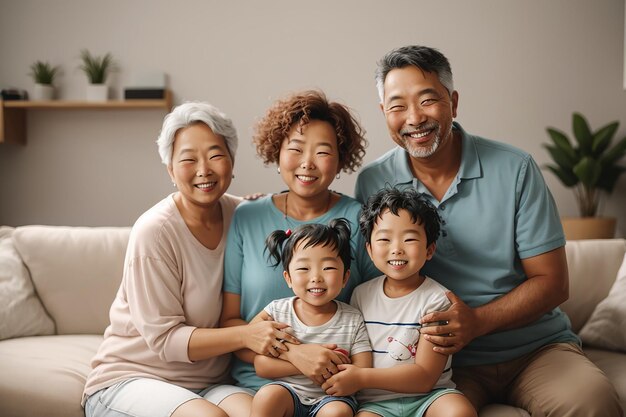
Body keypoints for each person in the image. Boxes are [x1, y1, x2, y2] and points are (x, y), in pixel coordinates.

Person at [354, 45, 623, 416]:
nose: (414, 118)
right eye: (397, 105)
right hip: (442, 363)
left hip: (534, 349)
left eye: (428, 100)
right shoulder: (374, 181)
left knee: (593, 403)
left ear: (454, 101)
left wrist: (477, 322)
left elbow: (553, 283)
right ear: (384, 112)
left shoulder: (515, 169)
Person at [82, 102, 298, 417]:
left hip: (210, 384)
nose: (203, 170)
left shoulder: (244, 216)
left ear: (231, 162)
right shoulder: (155, 231)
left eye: (215, 155)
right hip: (133, 378)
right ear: (170, 169)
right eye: (188, 159)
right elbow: (166, 340)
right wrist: (246, 334)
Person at [221, 90, 380, 393]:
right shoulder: (248, 216)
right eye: (296, 149)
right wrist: (296, 355)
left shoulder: (358, 218)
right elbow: (230, 323)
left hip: (333, 388)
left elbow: (380, 308)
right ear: (277, 153)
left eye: (322, 152)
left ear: (340, 160)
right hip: (258, 384)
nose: (308, 163)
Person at [322, 188, 476, 417]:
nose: (397, 249)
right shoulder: (360, 295)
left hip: (430, 396)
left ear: (429, 249)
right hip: (375, 403)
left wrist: (361, 377)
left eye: (410, 239)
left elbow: (425, 377)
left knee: (458, 412)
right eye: (384, 239)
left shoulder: (437, 300)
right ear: (370, 250)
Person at [249, 218, 372, 417]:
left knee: (337, 412)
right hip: (289, 391)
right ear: (288, 277)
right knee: (267, 396)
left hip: (332, 397)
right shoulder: (277, 311)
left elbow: (363, 368)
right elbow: (261, 365)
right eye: (304, 268)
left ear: (345, 278)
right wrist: (305, 365)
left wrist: (340, 371)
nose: (316, 277)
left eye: (328, 268)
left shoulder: (352, 318)